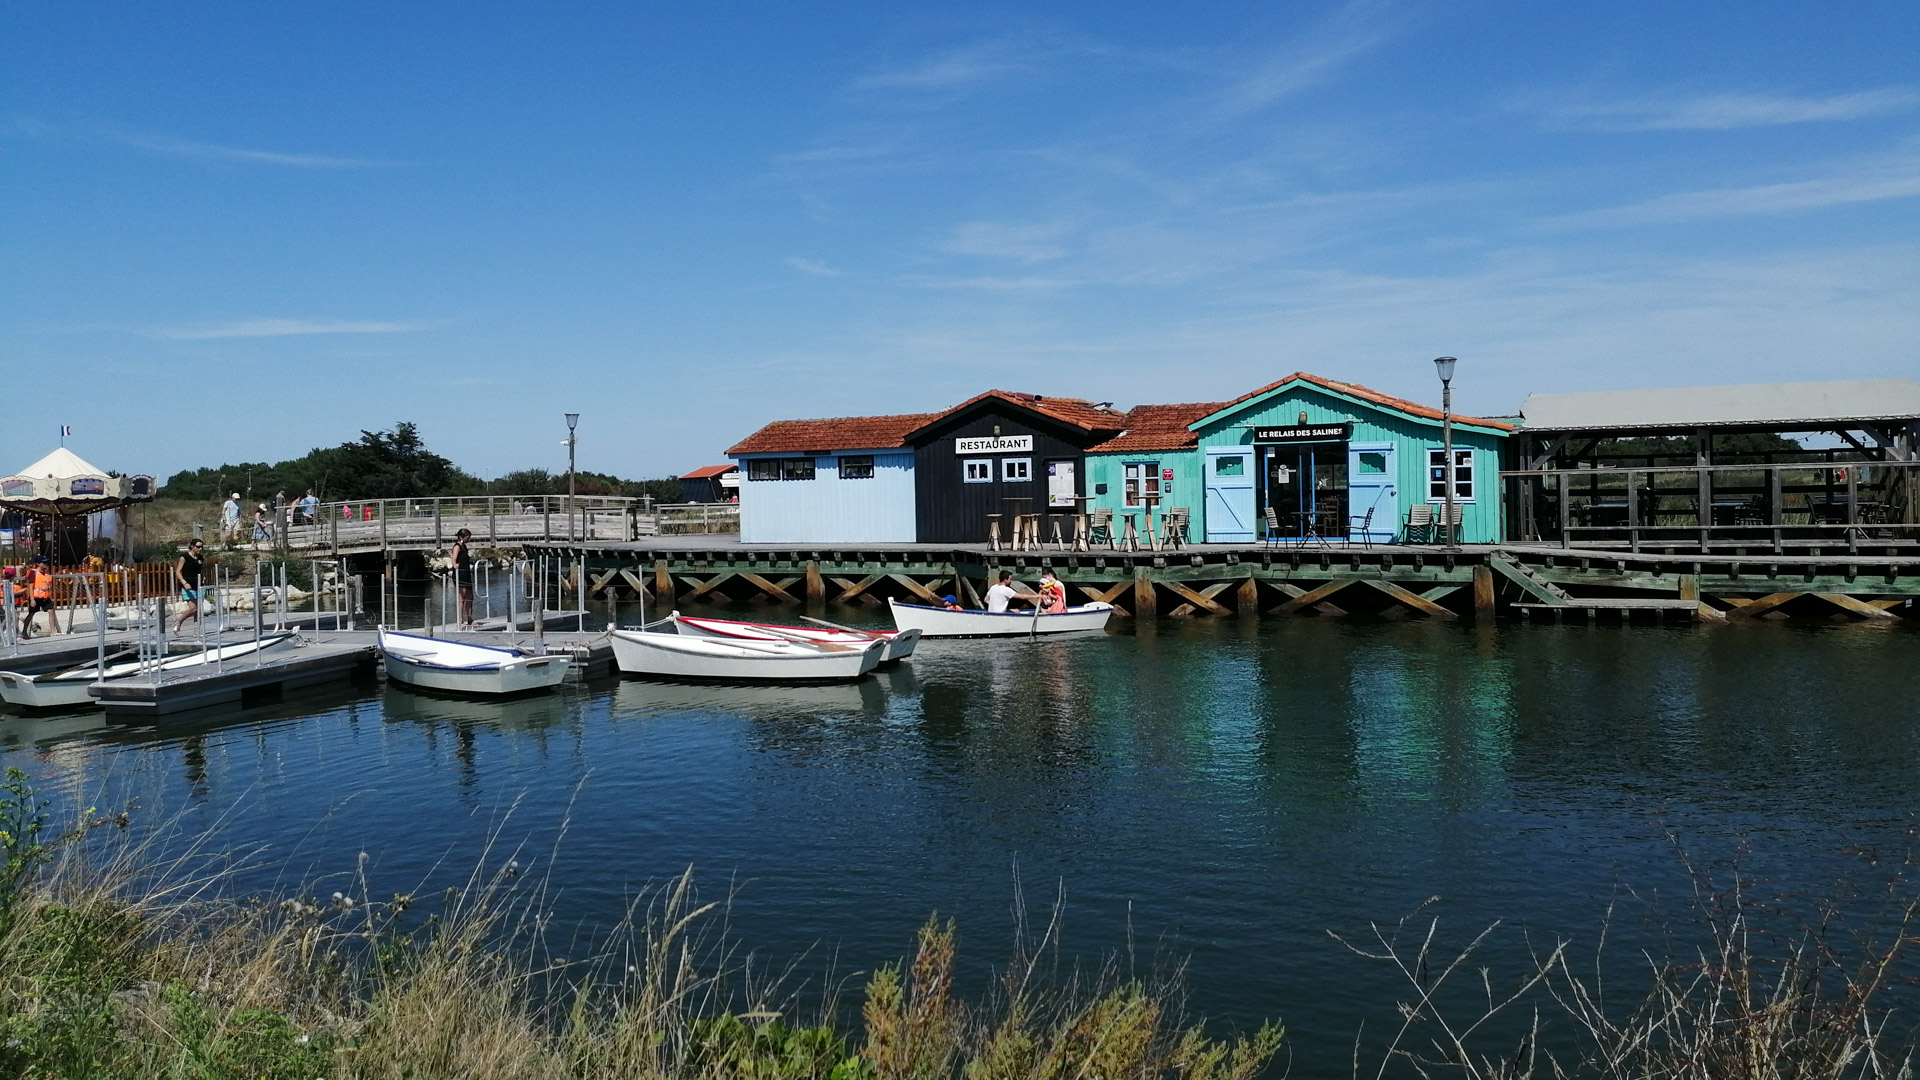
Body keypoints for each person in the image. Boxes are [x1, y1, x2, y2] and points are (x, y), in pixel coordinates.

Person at [19, 555, 59, 638]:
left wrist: (50, 596)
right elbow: (31, 586)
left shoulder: (46, 574)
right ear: (38, 563)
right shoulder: (33, 573)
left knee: (51, 611)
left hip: (45, 597)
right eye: (43, 563)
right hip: (36, 597)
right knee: (31, 614)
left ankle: (53, 631)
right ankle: (24, 631)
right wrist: (32, 599)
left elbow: (48, 586)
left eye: (46, 563)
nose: (46, 564)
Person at [172, 538, 206, 633]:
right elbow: (178, 571)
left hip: (199, 585)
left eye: (201, 547)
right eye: (198, 547)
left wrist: (203, 577)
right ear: (192, 546)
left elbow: (199, 570)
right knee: (193, 608)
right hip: (188, 586)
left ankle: (197, 631)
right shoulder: (184, 558)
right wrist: (184, 583)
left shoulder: (200, 558)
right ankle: (179, 621)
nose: (200, 549)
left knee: (198, 610)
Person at [450, 527, 476, 627]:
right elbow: (454, 559)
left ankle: (470, 619)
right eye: (467, 537)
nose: (468, 539)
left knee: (470, 596)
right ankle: (459, 621)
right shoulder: (457, 546)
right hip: (460, 574)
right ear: (461, 537)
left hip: (466, 573)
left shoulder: (464, 546)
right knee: (462, 597)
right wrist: (455, 565)